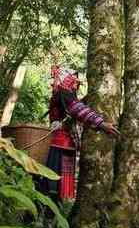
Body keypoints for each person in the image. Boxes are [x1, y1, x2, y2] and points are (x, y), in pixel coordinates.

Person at [43, 65, 120, 202]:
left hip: (63, 144)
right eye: (74, 81)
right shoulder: (63, 93)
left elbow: (75, 106)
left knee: (57, 183)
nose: (75, 85)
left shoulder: (61, 94)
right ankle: (43, 217)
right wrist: (101, 124)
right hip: (60, 144)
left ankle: (48, 217)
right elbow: (77, 109)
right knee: (52, 183)